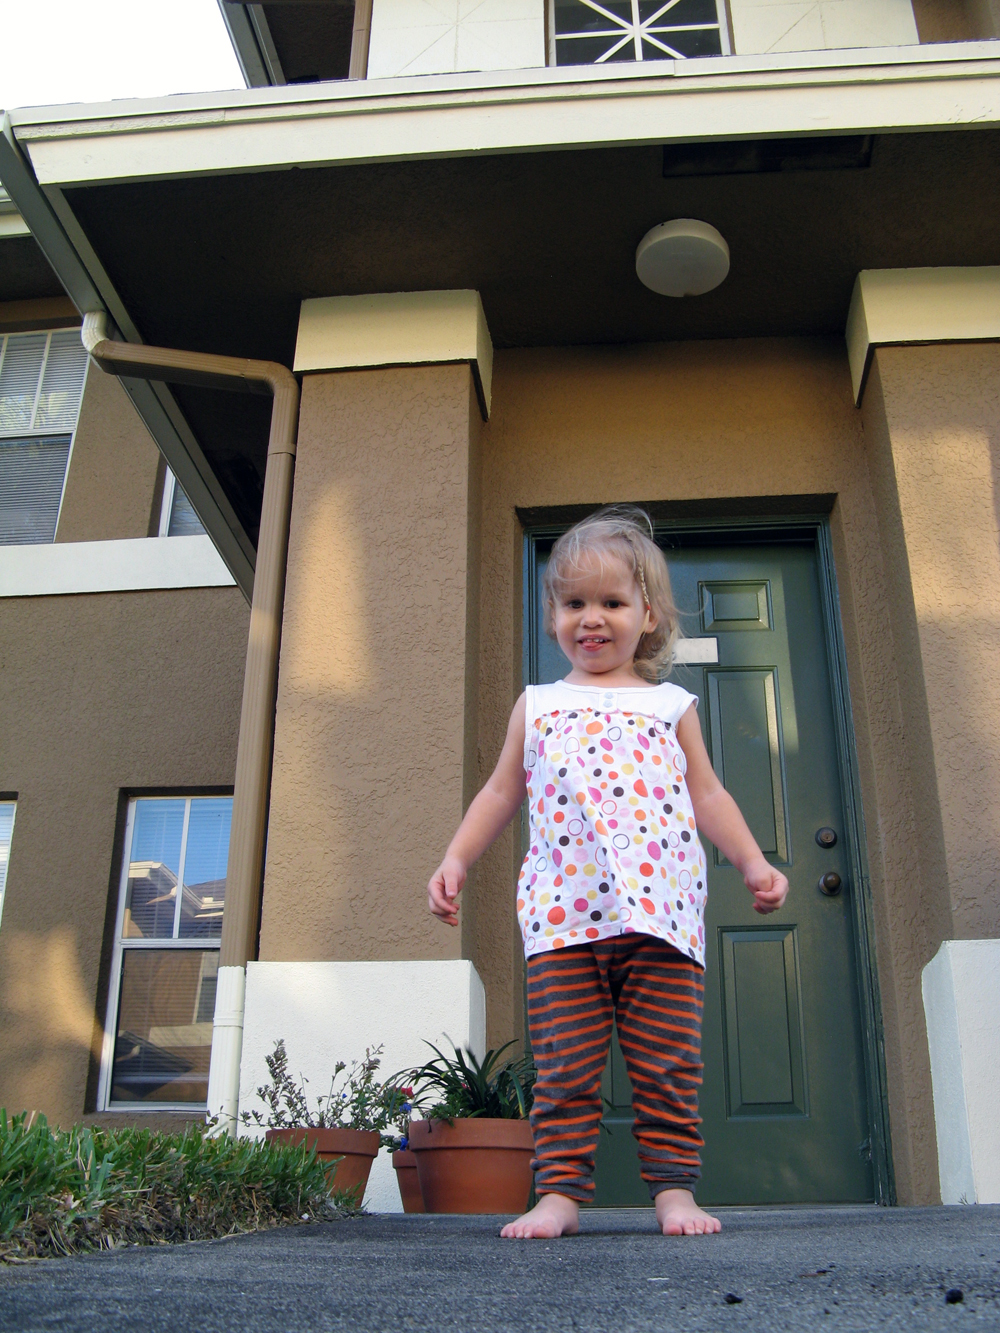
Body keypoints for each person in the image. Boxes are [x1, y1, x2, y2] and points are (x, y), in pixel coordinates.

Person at [427, 506, 789, 1240]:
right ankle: (560, 1191)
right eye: (574, 603)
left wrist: (752, 860)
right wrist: (456, 857)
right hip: (564, 918)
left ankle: (674, 1192)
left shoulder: (668, 705)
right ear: (554, 614)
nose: (592, 619)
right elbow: (502, 791)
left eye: (612, 602)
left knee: (666, 1066)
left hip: (662, 919)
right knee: (565, 1066)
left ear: (647, 613)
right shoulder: (540, 705)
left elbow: (707, 792)